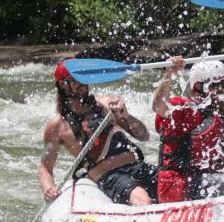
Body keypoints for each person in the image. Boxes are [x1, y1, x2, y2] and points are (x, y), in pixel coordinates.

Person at [38, 60, 157, 206]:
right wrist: (48, 188)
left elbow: (144, 136)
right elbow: (45, 166)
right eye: (77, 80)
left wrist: (126, 117)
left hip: (137, 166)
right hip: (110, 176)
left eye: (84, 78)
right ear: (63, 85)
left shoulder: (107, 104)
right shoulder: (57, 127)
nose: (83, 83)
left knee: (182, 186)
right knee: (143, 201)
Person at [152, 57, 224, 203]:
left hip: (208, 182)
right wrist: (170, 74)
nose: (221, 90)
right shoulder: (181, 109)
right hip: (176, 185)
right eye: (215, 85)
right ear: (198, 86)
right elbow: (158, 106)